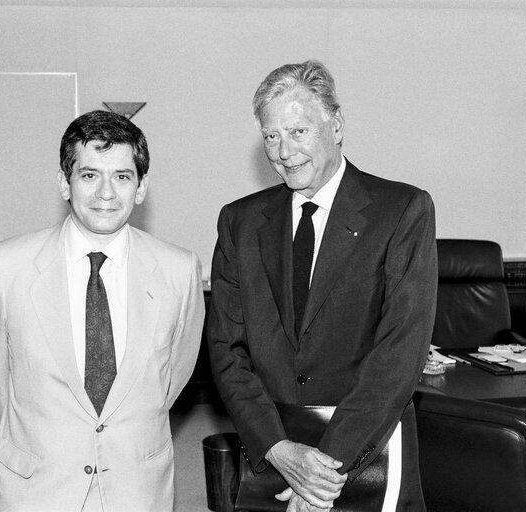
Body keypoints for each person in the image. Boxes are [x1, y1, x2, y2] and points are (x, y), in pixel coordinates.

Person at [207, 59, 437, 512]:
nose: (283, 151)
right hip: (271, 449)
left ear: (336, 126)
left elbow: (399, 354)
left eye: (298, 132)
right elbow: (225, 348)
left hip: (369, 446)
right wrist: (278, 449)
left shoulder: (402, 210)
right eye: (271, 136)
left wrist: (322, 471)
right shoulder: (239, 220)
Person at [0, 110, 204, 512]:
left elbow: (172, 379)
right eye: (90, 175)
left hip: (136, 483)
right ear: (65, 183)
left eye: (122, 176)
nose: (106, 193)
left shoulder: (180, 271)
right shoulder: (5, 267)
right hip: (39, 483)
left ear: (142, 187)